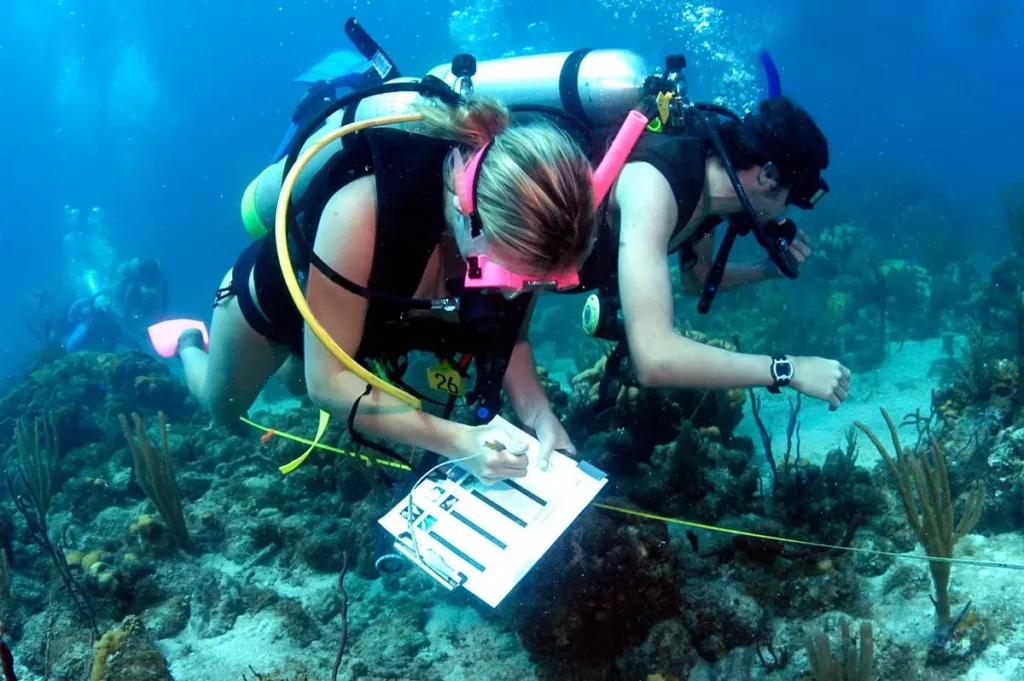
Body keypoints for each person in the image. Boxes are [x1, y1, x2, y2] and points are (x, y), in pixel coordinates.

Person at [154, 92, 602, 486]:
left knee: (295, 382)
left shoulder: (530, 236)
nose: (511, 297)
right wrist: (460, 439)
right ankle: (192, 342)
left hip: (358, 328)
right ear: (470, 212)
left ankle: (292, 358)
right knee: (223, 409)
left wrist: (539, 415)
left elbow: (512, 336)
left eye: (532, 285)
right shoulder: (360, 211)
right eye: (504, 278)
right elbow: (327, 382)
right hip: (276, 306)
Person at [578, 93, 852, 411]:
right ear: (768, 176)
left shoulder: (710, 203)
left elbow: (698, 280)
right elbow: (654, 358)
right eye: (791, 198)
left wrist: (770, 268)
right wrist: (789, 369)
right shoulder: (654, 187)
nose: (784, 212)